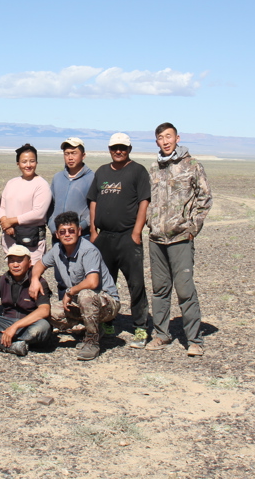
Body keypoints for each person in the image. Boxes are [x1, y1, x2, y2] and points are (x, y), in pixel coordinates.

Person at [145, 122, 213, 357]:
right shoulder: (154, 168)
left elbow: (205, 197)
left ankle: (194, 340)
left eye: (168, 137)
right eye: (160, 138)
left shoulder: (191, 165)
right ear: (156, 142)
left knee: (185, 290)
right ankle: (161, 335)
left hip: (181, 238)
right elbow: (147, 200)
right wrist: (148, 221)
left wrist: (193, 227)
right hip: (156, 238)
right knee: (160, 290)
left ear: (177, 138)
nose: (165, 141)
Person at [87, 132, 151, 348]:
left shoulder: (137, 171)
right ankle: (107, 323)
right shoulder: (102, 171)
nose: (118, 151)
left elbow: (144, 202)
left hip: (127, 237)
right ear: (109, 149)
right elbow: (93, 201)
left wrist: (136, 232)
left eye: (123, 147)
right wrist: (94, 231)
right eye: (115, 147)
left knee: (136, 283)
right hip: (104, 237)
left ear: (129, 149)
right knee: (105, 283)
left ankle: (140, 327)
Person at [32, 211, 120, 361]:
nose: (67, 234)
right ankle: (87, 327)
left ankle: (92, 341)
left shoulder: (88, 250)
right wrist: (34, 279)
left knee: (86, 294)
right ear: (57, 234)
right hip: (80, 303)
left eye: (71, 230)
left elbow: (92, 282)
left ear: (79, 231)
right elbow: (39, 265)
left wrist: (70, 292)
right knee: (46, 310)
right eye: (63, 232)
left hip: (106, 303)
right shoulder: (57, 250)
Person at [0, 143, 52, 263]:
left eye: (32, 161)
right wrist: (4, 221)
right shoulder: (11, 183)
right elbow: (1, 207)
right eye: (24, 161)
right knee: (14, 274)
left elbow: (38, 213)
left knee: (31, 275)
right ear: (18, 163)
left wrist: (11, 221)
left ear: (36, 162)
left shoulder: (41, 185)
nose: (28, 165)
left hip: (31, 240)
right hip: (10, 238)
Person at [48, 137, 94, 241]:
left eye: (74, 153)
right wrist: (52, 225)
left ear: (83, 155)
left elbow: (96, 208)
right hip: (58, 235)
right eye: (66, 153)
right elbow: (50, 205)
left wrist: (82, 225)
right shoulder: (57, 177)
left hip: (82, 235)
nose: (70, 157)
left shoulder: (92, 178)